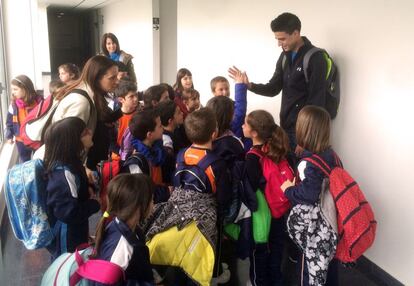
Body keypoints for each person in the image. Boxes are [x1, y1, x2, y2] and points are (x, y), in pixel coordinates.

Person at [229, 12, 328, 154]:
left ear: (296, 33)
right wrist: (249, 85)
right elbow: (273, 88)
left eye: (282, 39)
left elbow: (317, 103)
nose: (278, 44)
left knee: (303, 173)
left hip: (304, 135)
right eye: (277, 39)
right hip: (285, 128)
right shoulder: (284, 56)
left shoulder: (316, 58)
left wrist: (305, 139)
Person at [281, 105, 338, 286]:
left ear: (302, 130)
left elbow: (309, 194)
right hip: (332, 221)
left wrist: (288, 190)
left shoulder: (308, 163)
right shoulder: (332, 155)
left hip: (316, 226)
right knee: (329, 263)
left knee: (309, 269)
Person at [242, 110, 291, 286]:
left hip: (264, 213)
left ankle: (259, 282)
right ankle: (276, 280)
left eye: (246, 124)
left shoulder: (251, 157)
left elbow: (252, 188)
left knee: (261, 249)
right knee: (277, 249)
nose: (242, 126)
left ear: (254, 133)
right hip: (279, 211)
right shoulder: (274, 148)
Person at [43, 117, 100, 260]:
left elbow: (76, 188)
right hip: (67, 235)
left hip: (76, 229)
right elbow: (69, 213)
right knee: (67, 263)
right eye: (85, 132)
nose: (90, 132)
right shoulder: (62, 175)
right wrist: (94, 204)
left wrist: (89, 187)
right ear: (73, 141)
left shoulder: (71, 162)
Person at [90, 173, 155, 286]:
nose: (153, 203)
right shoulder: (123, 248)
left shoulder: (117, 225)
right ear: (138, 206)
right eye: (151, 199)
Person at [122, 108, 171, 203]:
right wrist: (166, 191)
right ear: (149, 135)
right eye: (160, 126)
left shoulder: (157, 147)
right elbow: (141, 193)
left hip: (160, 201)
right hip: (148, 208)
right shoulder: (135, 162)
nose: (163, 129)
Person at [5, 75, 42, 162]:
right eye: (12, 89)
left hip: (36, 139)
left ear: (25, 89)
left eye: (15, 89)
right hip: (21, 140)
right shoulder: (13, 105)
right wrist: (9, 135)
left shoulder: (39, 102)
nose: (13, 92)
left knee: (39, 161)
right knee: (24, 162)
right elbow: (9, 121)